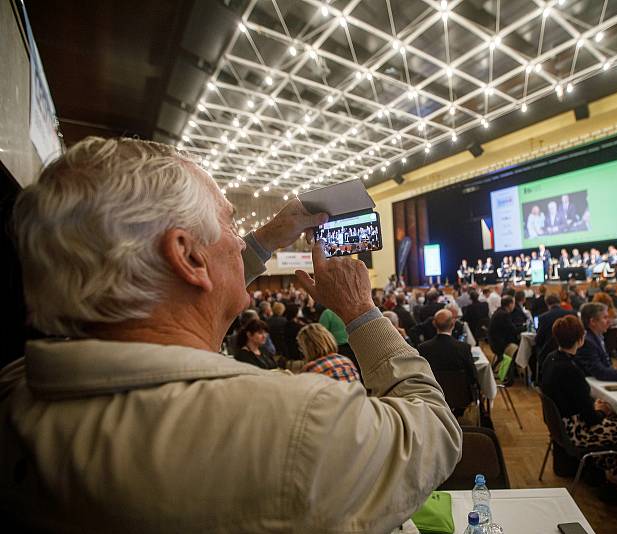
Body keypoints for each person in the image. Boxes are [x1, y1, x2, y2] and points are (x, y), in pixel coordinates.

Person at [1, 137, 460, 532]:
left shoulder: (18, 392)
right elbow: (435, 431)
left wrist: (272, 237)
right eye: (229, 223)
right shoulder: (294, 420)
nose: (241, 241)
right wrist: (361, 312)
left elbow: (197, 293)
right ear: (188, 257)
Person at [540, 315, 617, 497]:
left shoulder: (551, 359)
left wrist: (595, 408)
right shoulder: (570, 370)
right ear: (580, 339)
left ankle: (605, 474)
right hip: (577, 432)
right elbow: (590, 419)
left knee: (616, 420)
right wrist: (600, 411)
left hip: (562, 426)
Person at [417, 310, 480, 416]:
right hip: (461, 396)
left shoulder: (423, 348)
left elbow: (422, 375)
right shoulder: (463, 348)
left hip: (433, 396)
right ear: (453, 324)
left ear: (434, 324)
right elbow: (473, 376)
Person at [575, 303, 617, 382]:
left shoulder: (598, 337)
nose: (609, 321)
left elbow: (606, 366)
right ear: (593, 322)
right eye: (605, 318)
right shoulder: (587, 342)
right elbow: (601, 372)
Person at [489, 295, 523, 360]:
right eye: (513, 304)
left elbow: (509, 327)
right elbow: (513, 330)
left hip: (494, 342)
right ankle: (518, 365)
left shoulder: (499, 311)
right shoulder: (504, 314)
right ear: (510, 304)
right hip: (500, 345)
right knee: (521, 344)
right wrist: (525, 327)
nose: (514, 306)